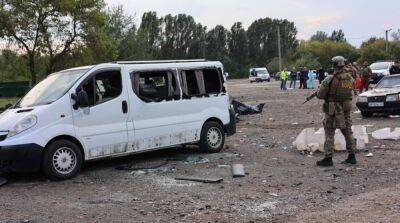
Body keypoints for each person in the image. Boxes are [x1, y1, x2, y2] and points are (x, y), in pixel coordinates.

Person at [315, 56, 357, 167]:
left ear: (334, 65)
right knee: (348, 132)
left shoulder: (330, 79)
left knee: (329, 132)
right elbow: (351, 93)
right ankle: (352, 156)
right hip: (346, 108)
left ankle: (328, 158)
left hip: (333, 109)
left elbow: (320, 95)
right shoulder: (350, 78)